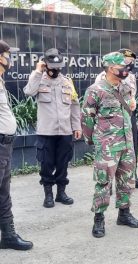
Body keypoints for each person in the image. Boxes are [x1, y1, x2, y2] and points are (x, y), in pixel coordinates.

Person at [81, 52, 138, 238]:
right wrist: (93, 141)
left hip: (126, 143)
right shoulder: (96, 90)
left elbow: (130, 110)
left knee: (127, 180)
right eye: (121, 67)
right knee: (103, 182)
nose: (126, 70)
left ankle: (124, 214)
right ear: (110, 68)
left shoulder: (126, 87)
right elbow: (87, 118)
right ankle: (99, 219)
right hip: (107, 145)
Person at [23, 48, 81, 208]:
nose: (56, 70)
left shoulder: (67, 82)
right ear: (45, 65)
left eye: (58, 67)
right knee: (46, 164)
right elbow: (28, 92)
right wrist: (37, 71)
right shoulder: (38, 80)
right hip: (46, 132)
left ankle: (61, 193)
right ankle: (48, 194)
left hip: (65, 132)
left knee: (63, 163)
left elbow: (75, 106)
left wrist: (76, 126)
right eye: (52, 67)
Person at [95, 49, 138, 189]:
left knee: (132, 147)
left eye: (131, 62)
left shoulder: (130, 77)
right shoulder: (101, 77)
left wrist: (132, 104)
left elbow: (131, 95)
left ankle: (133, 175)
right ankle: (107, 186)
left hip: (128, 116)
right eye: (127, 61)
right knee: (109, 160)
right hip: (110, 121)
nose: (129, 64)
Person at [0, 40, 33, 251]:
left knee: (4, 192)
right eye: (7, 54)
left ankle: (8, 236)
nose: (9, 59)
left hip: (5, 145)